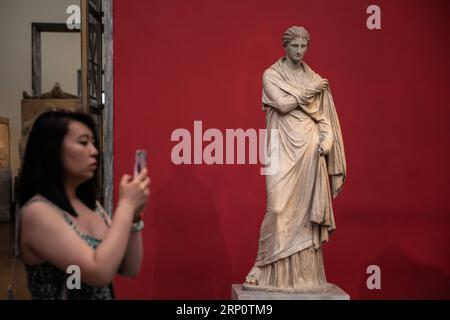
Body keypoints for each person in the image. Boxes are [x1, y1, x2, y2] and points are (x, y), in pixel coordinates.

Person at [244, 26, 346, 291]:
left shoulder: (313, 76)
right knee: (277, 208)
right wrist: (312, 89)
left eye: (303, 46)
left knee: (303, 216)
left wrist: (327, 141)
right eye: (294, 46)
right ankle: (262, 263)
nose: (299, 51)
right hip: (281, 146)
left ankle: (303, 277)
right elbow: (283, 104)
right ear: (285, 46)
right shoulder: (272, 75)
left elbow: (324, 120)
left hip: (310, 149)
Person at [17, 110, 150, 299]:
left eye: (93, 143)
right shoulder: (37, 212)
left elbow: (130, 268)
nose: (94, 151)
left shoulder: (91, 206)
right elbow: (98, 272)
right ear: (52, 149)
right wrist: (127, 205)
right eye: (83, 142)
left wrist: (134, 216)